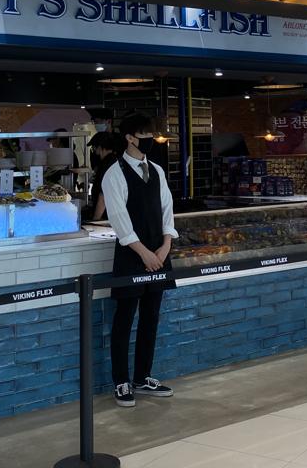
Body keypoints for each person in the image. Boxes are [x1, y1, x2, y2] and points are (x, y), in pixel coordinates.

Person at [101, 113, 178, 407]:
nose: (150, 140)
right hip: (132, 257)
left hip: (159, 254)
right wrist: (144, 252)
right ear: (130, 138)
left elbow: (167, 211)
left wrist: (165, 246)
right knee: (124, 319)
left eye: (151, 134)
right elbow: (119, 219)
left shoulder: (157, 170)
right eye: (145, 135)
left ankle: (143, 376)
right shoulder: (114, 174)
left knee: (151, 317)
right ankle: (121, 381)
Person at [89, 131, 125, 220]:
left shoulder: (107, 165)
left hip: (106, 216)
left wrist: (96, 219)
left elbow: (103, 196)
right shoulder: (117, 161)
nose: (94, 152)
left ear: (100, 147)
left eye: (94, 148)